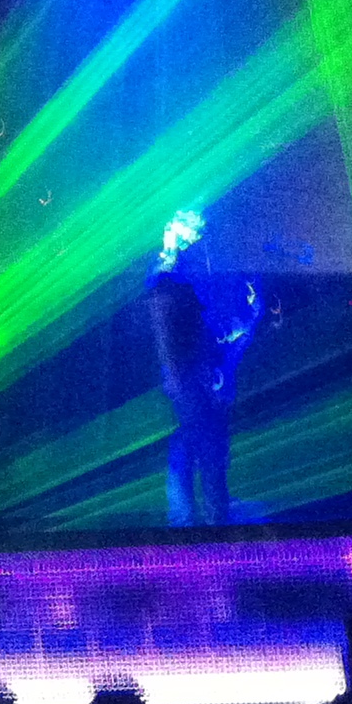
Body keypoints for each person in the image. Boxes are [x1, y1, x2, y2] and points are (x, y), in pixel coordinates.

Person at [146, 210, 262, 527]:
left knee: (191, 440)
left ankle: (191, 514)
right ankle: (208, 515)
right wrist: (177, 373)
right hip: (188, 375)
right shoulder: (168, 278)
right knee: (207, 444)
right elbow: (168, 328)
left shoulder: (177, 277)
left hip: (193, 372)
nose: (197, 237)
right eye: (192, 231)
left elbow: (199, 328)